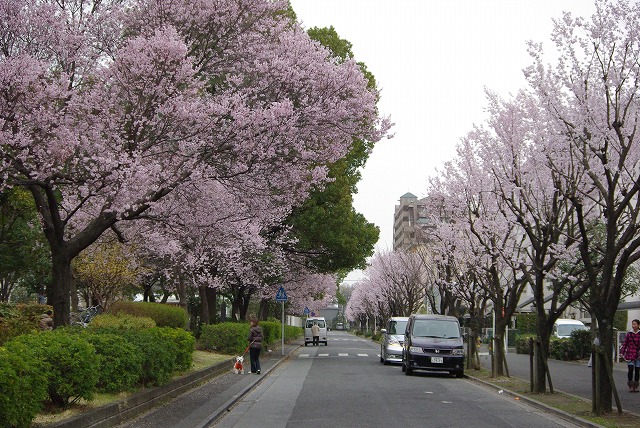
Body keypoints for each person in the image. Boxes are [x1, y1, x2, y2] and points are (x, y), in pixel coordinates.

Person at [620, 319, 640, 392]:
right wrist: (622, 352)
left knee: (637, 370)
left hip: (638, 355)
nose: (633, 325)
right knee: (630, 369)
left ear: (638, 325)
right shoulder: (629, 334)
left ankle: (636, 385)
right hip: (630, 353)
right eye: (632, 324)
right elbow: (625, 343)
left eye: (635, 324)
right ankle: (630, 385)